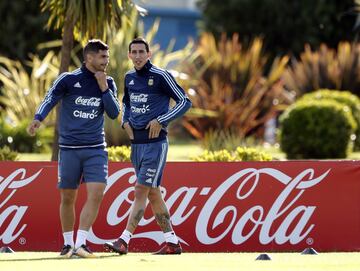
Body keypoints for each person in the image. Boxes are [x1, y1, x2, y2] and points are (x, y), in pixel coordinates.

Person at [27, 39, 120, 258]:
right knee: (68, 198)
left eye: (106, 56)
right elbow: (50, 98)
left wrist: (104, 88)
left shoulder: (108, 82)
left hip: (96, 148)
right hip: (68, 149)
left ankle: (81, 243)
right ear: (89, 58)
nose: (106, 61)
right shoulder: (68, 80)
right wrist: (38, 118)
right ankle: (68, 244)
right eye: (102, 57)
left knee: (97, 193)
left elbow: (115, 113)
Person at [104, 37, 192, 255]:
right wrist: (125, 120)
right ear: (128, 55)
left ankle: (123, 241)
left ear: (149, 53)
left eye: (141, 51)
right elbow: (126, 102)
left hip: (156, 143)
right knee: (152, 193)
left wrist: (162, 120)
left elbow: (184, 101)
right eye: (133, 52)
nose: (137, 55)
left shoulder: (161, 76)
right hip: (137, 144)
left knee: (141, 190)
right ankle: (172, 243)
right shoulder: (129, 77)